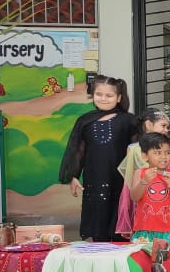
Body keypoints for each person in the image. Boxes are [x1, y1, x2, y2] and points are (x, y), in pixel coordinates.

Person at [59, 75, 138, 242]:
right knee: (98, 225)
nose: (103, 99)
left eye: (109, 95)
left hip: (121, 179)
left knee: (119, 222)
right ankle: (99, 251)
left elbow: (137, 151)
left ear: (119, 98)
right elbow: (78, 149)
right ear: (93, 95)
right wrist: (73, 176)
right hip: (95, 178)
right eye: (99, 94)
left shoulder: (129, 121)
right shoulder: (85, 121)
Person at [129, 132, 170, 272]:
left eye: (167, 153)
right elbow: (134, 197)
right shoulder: (140, 173)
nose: (164, 157)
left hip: (168, 230)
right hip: (145, 230)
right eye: (158, 153)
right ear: (145, 156)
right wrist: (144, 181)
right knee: (145, 267)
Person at [116, 107, 170, 237]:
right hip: (141, 198)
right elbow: (128, 182)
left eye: (167, 127)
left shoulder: (168, 149)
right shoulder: (133, 149)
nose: (166, 130)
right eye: (163, 125)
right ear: (148, 124)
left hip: (160, 195)